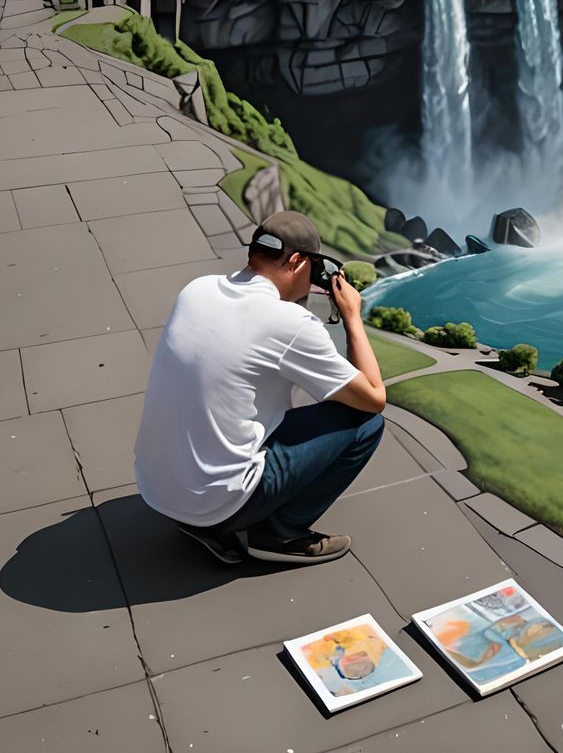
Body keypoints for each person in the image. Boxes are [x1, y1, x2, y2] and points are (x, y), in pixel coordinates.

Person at [134, 211, 386, 566]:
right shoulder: (292, 324)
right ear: (297, 262)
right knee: (365, 424)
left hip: (155, 488)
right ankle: (279, 535)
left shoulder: (196, 289)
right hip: (213, 504)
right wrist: (352, 317)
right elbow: (374, 397)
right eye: (315, 269)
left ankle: (207, 517)